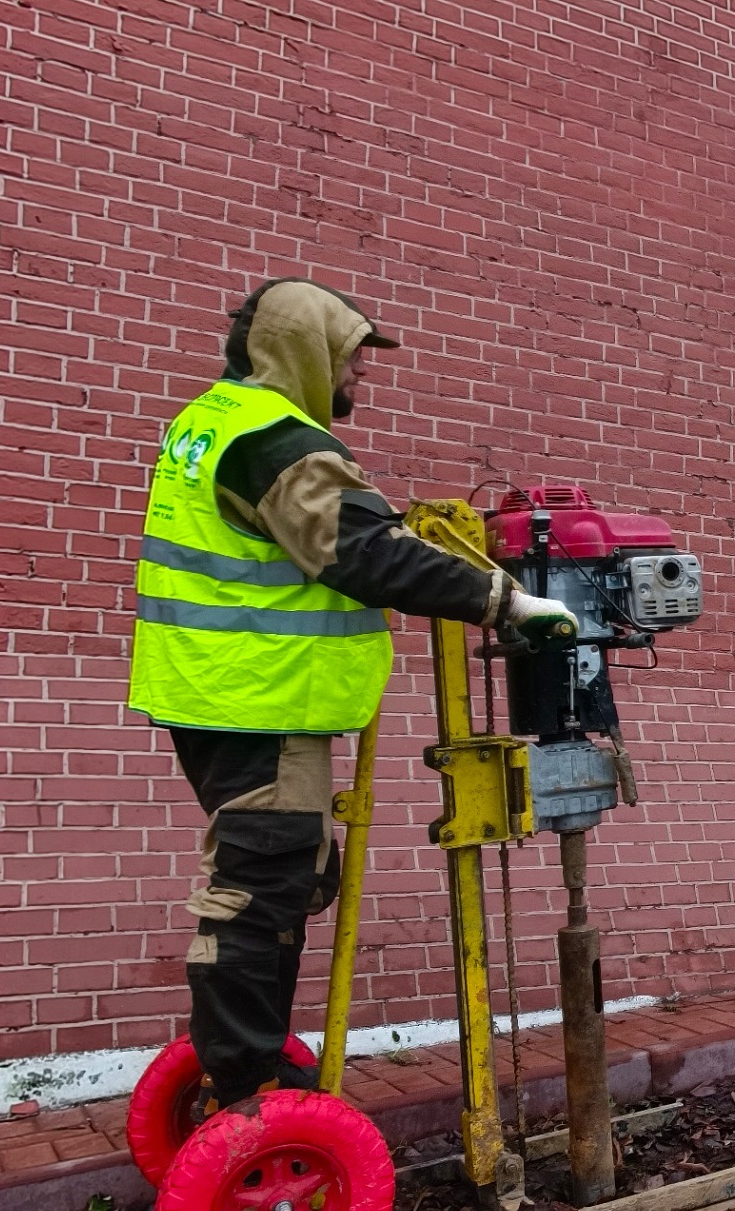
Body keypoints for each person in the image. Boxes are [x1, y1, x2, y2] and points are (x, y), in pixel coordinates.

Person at [127, 277, 578, 1113]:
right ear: (303, 351)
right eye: (350, 359)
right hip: (262, 705)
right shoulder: (278, 443)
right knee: (257, 893)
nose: (359, 378)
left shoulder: (210, 422)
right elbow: (362, 554)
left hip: (221, 697)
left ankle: (245, 1063)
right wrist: (505, 600)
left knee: (291, 876)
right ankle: (248, 1091)